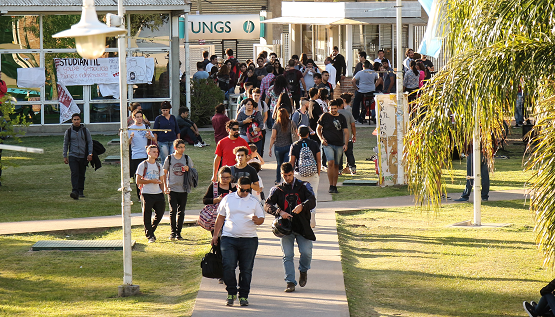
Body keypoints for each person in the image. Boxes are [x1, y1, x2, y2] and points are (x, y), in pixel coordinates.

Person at [211, 176, 265, 307]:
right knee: (228, 267)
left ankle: (244, 296)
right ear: (237, 187)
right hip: (229, 238)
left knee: (246, 270)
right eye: (243, 190)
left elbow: (261, 218)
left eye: (248, 190)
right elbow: (220, 218)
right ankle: (231, 292)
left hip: (249, 239)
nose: (245, 193)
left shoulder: (254, 201)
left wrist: (258, 220)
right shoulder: (228, 199)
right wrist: (215, 235)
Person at [264, 162, 316, 293]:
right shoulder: (277, 189)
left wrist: (302, 206)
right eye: (284, 175)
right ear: (281, 174)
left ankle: (303, 270)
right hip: (285, 228)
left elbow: (312, 200)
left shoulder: (304, 186)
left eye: (290, 175)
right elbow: (267, 204)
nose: (287, 178)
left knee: (306, 252)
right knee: (287, 255)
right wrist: (279, 212)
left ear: (293, 173)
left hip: (303, 226)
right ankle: (290, 282)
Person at [289, 125, 321, 227]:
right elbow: (319, 160)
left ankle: (300, 218)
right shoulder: (314, 144)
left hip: (299, 174)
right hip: (313, 174)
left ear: (298, 134)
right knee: (313, 195)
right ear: (308, 134)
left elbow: (292, 162)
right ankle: (312, 219)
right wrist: (318, 173)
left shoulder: (295, 145)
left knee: (299, 196)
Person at [162, 139, 194, 241]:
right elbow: (164, 172)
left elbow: (192, 170)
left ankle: (178, 233)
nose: (182, 149)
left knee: (181, 211)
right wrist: (165, 186)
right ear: (175, 148)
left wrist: (188, 168)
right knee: (173, 211)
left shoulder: (186, 158)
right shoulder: (169, 159)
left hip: (183, 188)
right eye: (180, 147)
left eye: (184, 147)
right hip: (172, 188)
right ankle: (172, 232)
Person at [317, 99, 348, 194]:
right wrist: (321, 139)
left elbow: (346, 132)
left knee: (337, 165)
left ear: (338, 108)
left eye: (335, 108)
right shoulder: (325, 116)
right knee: (330, 162)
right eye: (331, 109)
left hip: (339, 144)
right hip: (328, 144)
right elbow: (318, 129)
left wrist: (346, 143)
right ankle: (330, 185)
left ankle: (334, 185)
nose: (333, 110)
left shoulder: (342, 118)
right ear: (328, 108)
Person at [136, 145, 166, 243]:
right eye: (153, 152)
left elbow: (161, 180)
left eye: (157, 152)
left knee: (160, 213)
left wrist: (163, 191)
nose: (156, 154)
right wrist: (151, 181)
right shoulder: (143, 165)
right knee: (147, 214)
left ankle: (151, 230)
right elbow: (138, 181)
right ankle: (150, 236)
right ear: (148, 153)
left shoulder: (159, 165)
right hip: (146, 193)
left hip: (158, 193)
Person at [63, 113, 93, 200]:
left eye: (78, 119)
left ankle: (81, 191)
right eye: (74, 119)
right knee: (74, 173)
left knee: (81, 174)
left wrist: (90, 154)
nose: (76, 121)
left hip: (83, 156)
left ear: (80, 120)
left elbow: (90, 142)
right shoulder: (68, 132)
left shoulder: (85, 130)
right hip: (73, 155)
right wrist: (65, 156)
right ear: (72, 120)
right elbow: (65, 144)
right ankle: (74, 191)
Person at [129, 109, 155, 200]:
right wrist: (131, 138)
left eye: (141, 117)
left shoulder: (146, 127)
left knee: (147, 176)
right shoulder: (131, 128)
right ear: (133, 118)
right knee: (139, 176)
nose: (139, 119)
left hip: (146, 155)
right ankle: (140, 195)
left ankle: (147, 194)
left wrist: (150, 137)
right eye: (137, 117)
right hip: (136, 155)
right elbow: (127, 143)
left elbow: (154, 139)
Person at [269, 108, 293, 184]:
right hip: (288, 146)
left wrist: (270, 148)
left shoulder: (276, 124)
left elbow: (273, 137)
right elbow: (295, 133)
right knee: (286, 164)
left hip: (278, 147)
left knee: (279, 164)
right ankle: (286, 179)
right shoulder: (291, 123)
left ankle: (278, 180)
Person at [338, 98, 357, 175]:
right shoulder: (348, 113)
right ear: (342, 104)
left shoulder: (334, 113)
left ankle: (339, 170)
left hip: (338, 138)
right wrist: (354, 135)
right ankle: (353, 169)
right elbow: (353, 125)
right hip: (348, 137)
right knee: (349, 154)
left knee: (339, 155)